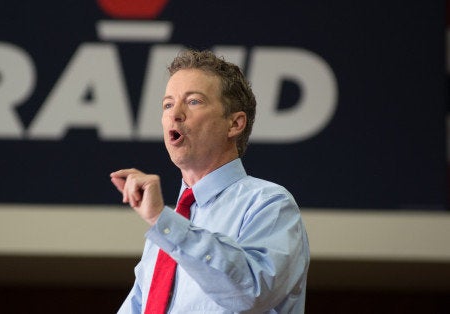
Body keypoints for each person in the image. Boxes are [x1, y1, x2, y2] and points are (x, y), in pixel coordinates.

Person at [110, 49, 310, 313]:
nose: (175, 114)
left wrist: (162, 221)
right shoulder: (166, 230)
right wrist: (165, 224)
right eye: (168, 104)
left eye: (193, 101)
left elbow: (251, 292)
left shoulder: (269, 204)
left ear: (235, 124)